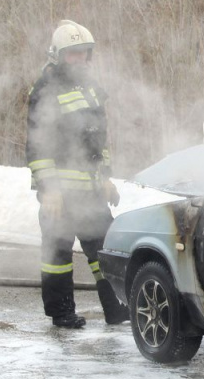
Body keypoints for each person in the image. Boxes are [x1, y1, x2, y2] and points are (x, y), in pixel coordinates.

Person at [26, 20, 128, 329]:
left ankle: (117, 308)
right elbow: (38, 145)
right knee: (57, 256)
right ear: (58, 55)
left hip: (91, 190)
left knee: (104, 253)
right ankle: (61, 313)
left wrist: (106, 176)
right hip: (61, 193)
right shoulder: (45, 90)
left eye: (84, 53)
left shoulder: (91, 89)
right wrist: (50, 189)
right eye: (73, 54)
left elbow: (99, 141)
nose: (80, 59)